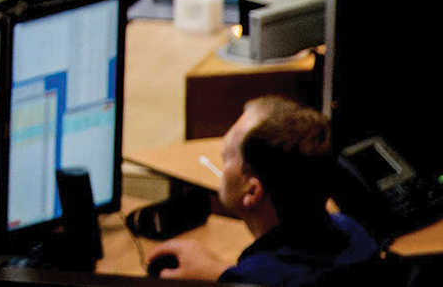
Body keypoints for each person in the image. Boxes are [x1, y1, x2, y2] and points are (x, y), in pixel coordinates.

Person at [151, 96, 379, 285]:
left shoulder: (255, 278)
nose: (221, 157)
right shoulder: (356, 234)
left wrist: (233, 280)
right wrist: (224, 273)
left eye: (229, 156)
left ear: (252, 193)